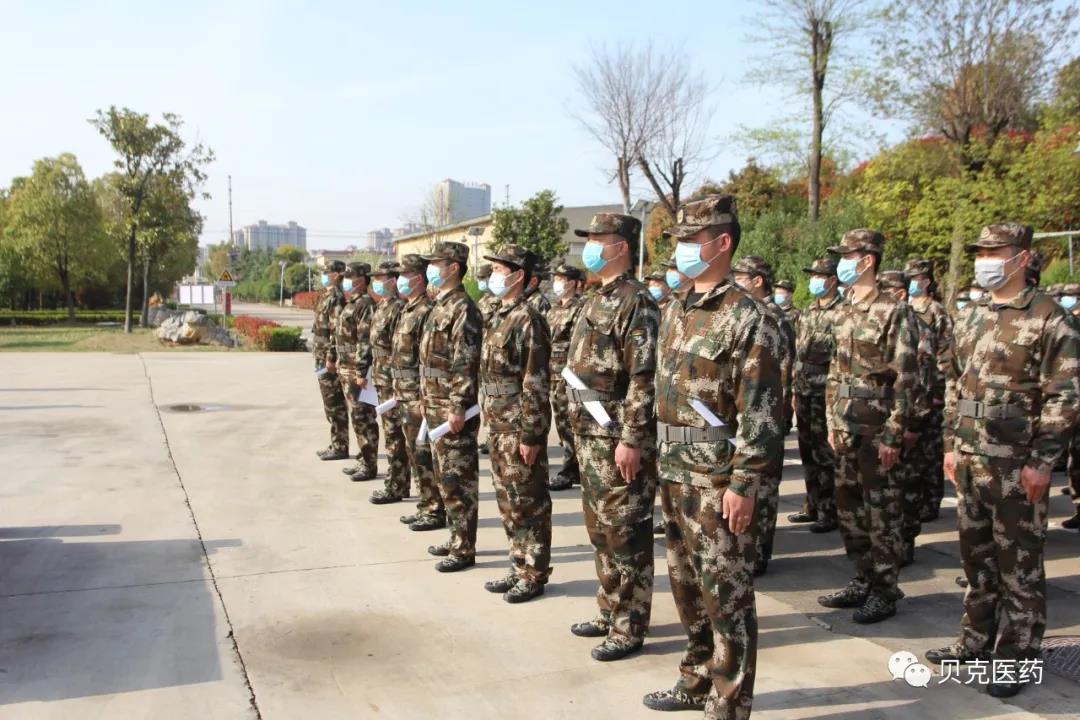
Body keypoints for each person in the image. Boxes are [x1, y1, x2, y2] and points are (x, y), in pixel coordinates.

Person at [641, 195, 784, 719]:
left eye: (691, 239)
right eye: (678, 239)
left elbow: (762, 411)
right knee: (687, 589)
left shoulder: (750, 318)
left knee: (726, 595)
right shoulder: (676, 308)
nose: (680, 248)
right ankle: (696, 677)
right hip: (674, 471)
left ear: (723, 243)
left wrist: (744, 485)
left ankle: (729, 701)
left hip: (717, 480)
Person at [926, 223, 1080, 698]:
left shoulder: (1050, 317)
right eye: (981, 252)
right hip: (971, 457)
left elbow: (1065, 395)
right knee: (977, 558)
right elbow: (954, 383)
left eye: (996, 251)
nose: (985, 260)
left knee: (1019, 565)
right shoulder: (971, 315)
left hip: (1018, 463)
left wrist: (1043, 461)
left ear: (1022, 257)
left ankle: (1018, 656)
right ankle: (975, 640)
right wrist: (950, 444)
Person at [565, 212, 660, 662]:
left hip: (615, 437)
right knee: (600, 531)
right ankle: (609, 610)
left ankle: (629, 624)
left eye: (598, 239)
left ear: (621, 246)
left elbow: (644, 377)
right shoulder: (596, 298)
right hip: (589, 434)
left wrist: (633, 439)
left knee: (625, 533)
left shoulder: (636, 302)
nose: (590, 246)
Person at [819, 229, 918, 624]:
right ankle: (862, 578)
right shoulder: (843, 310)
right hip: (845, 427)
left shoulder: (894, 311)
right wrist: (831, 420)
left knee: (882, 514)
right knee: (850, 512)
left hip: (877, 430)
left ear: (867, 260)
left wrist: (895, 432)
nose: (842, 262)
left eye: (848, 256)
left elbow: (906, 377)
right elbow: (834, 371)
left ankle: (885, 590)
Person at [479, 245, 553, 603]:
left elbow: (535, 380)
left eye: (498, 269)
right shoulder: (498, 314)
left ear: (518, 275)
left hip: (517, 424)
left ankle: (534, 573)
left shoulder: (528, 319)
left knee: (528, 501)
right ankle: (518, 564)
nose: (493, 275)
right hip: (497, 422)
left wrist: (531, 434)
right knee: (508, 500)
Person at [419, 241, 483, 572]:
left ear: (453, 268)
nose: (431, 269)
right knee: (444, 476)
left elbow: (465, 361)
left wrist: (458, 405)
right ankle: (455, 536)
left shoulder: (463, 309)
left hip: (451, 407)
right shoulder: (440, 305)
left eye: (436, 263)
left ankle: (464, 548)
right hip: (434, 402)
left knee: (458, 479)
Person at [731, 255, 794, 577]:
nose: (735, 282)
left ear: (758, 281)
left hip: (767, 413)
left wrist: (780, 417)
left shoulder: (772, 318)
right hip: (747, 413)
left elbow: (782, 372)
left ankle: (759, 552)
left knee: (764, 486)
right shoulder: (745, 312)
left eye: (741, 277)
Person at [877, 270, 934, 568]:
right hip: (886, 416)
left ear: (900, 293)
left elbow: (921, 379)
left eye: (887, 289)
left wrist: (914, 424)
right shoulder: (886, 320)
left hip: (909, 418)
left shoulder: (915, 326)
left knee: (906, 487)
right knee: (888, 490)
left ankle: (905, 543)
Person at [789, 258, 842, 533]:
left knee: (824, 453)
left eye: (819, 276)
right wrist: (793, 389)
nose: (814, 280)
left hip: (824, 392)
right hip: (803, 389)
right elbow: (798, 351)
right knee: (807, 450)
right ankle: (811, 504)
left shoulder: (842, 312)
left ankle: (829, 510)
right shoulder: (808, 311)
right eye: (812, 275)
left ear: (832, 280)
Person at [392, 256, 444, 531]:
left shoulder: (426, 310)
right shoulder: (407, 309)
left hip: (418, 393)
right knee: (414, 452)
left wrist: (424, 394)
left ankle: (435, 509)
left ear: (419, 278)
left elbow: (428, 358)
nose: (400, 279)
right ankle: (425, 504)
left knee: (423, 453)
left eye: (406, 274)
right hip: (404, 391)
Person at [903, 259, 954, 523]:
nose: (912, 282)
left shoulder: (936, 311)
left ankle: (931, 501)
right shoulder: (904, 309)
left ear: (927, 281)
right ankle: (913, 500)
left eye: (916, 278)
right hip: (910, 391)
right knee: (910, 452)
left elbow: (946, 355)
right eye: (909, 278)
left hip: (930, 390)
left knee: (929, 451)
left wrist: (938, 392)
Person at [368, 261, 410, 504]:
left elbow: (400, 350)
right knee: (390, 432)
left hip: (393, 380)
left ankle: (397, 484)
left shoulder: (398, 308)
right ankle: (397, 482)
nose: (376, 282)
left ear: (393, 281)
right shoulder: (382, 306)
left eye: (380, 278)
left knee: (395, 435)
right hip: (381, 378)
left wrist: (396, 383)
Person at [335, 262, 380, 481]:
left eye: (349, 277)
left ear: (361, 280)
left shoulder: (365, 304)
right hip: (347, 367)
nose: (345, 281)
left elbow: (365, 340)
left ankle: (369, 464)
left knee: (364, 417)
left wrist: (362, 370)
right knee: (356, 416)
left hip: (356, 369)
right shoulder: (351, 303)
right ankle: (363, 459)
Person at [547, 262, 585, 492]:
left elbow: (578, 343)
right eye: (556, 278)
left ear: (573, 283)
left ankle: (570, 469)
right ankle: (574, 465)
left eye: (561, 279)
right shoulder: (553, 309)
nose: (557, 283)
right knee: (561, 422)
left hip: (570, 375)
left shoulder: (580, 308)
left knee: (571, 421)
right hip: (552, 374)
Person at [312, 260, 350, 460]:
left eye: (327, 272)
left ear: (336, 275)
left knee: (335, 403)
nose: (324, 276)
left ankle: (340, 445)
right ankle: (336, 442)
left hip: (328, 358)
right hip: (320, 356)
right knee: (329, 402)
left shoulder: (336, 298)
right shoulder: (326, 296)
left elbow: (336, 332)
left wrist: (331, 357)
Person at [1056, 281, 1080, 530]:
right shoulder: (1067, 321)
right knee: (1076, 457)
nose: (1066, 299)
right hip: (1074, 396)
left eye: (1071, 296)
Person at [475, 263, 498, 457]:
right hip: (482, 356)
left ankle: (494, 437)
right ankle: (489, 436)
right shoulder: (482, 301)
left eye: (484, 278)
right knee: (484, 400)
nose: (481, 282)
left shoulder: (499, 301)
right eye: (479, 279)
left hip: (495, 357)